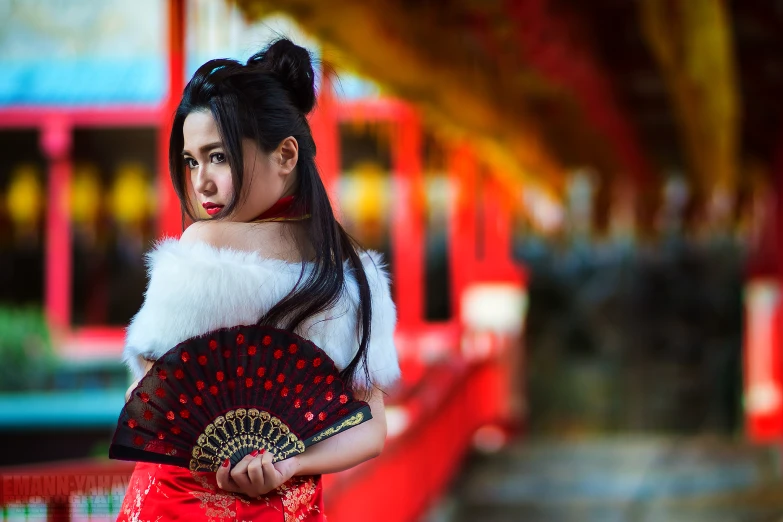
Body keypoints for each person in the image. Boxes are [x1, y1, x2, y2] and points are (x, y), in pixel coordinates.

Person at [116, 38, 400, 521]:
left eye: (219, 157)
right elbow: (369, 429)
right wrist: (290, 464)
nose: (201, 181)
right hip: (290, 507)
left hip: (179, 504)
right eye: (191, 161)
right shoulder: (353, 273)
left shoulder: (204, 248)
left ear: (286, 155)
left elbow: (144, 398)